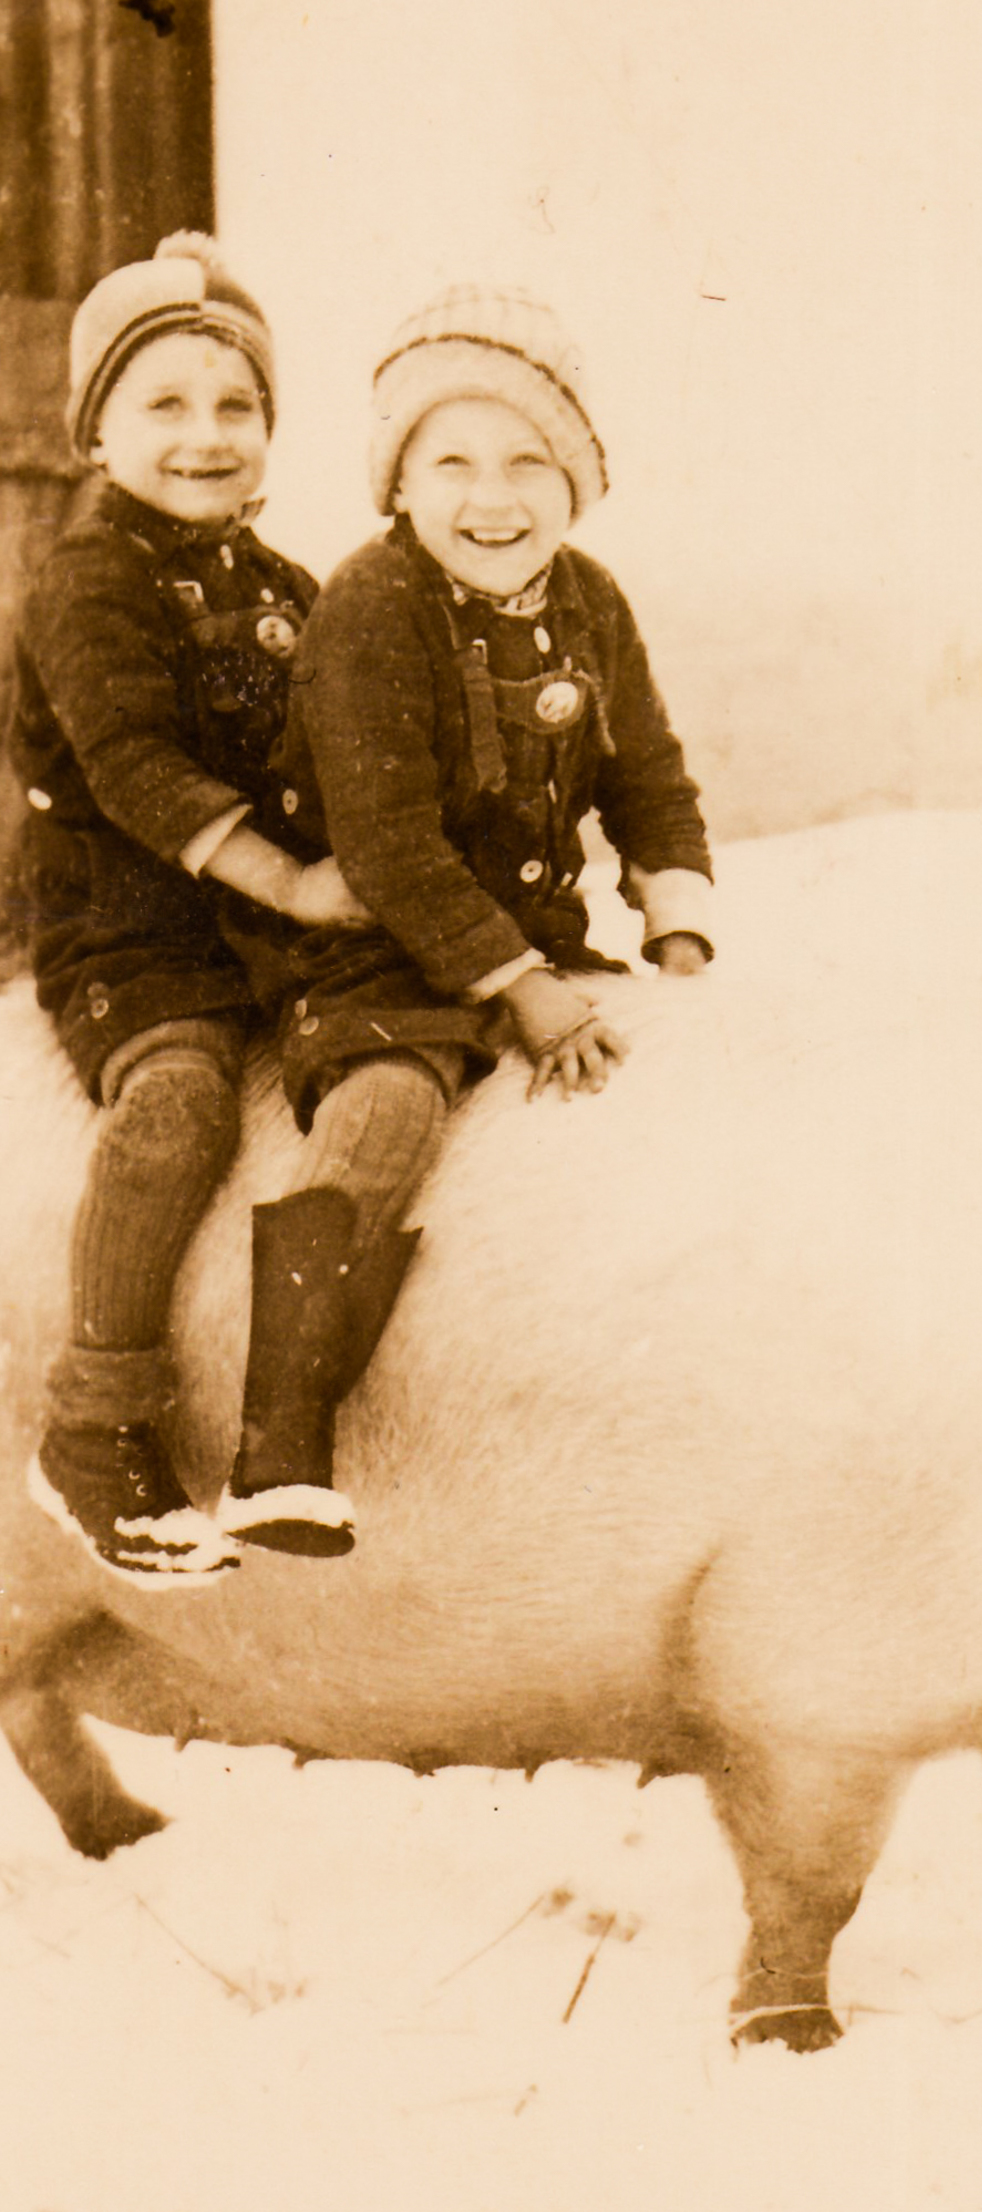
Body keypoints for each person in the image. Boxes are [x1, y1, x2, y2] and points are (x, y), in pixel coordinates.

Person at [217, 284, 715, 1559]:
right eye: (453, 464)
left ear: (577, 484)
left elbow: (649, 778)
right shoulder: (371, 606)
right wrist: (520, 986)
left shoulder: (591, 600)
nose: (494, 499)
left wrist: (677, 932)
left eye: (530, 463)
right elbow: (388, 845)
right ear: (398, 482)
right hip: (373, 949)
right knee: (388, 1109)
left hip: (535, 938)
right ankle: (278, 1441)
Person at [10, 232, 369, 1586]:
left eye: (237, 404)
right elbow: (135, 769)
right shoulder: (87, 579)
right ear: (96, 435)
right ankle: (95, 1421)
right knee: (181, 1108)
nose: (206, 435)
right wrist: (292, 883)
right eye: (163, 404)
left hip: (258, 930)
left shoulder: (283, 589)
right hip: (130, 926)